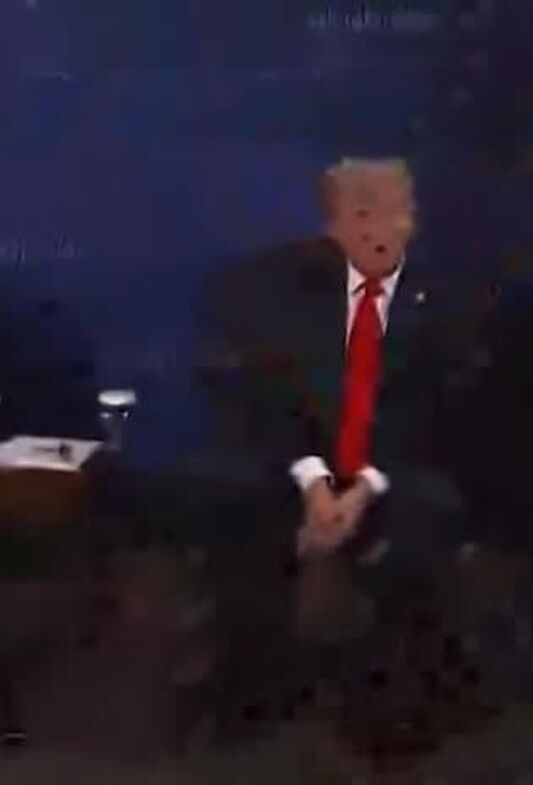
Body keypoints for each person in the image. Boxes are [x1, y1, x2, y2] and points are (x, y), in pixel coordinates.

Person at [197, 157, 479, 735]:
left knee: (423, 522)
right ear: (331, 225)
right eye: (363, 213)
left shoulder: (447, 304)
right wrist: (313, 484)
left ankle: (397, 708)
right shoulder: (281, 298)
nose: (383, 228)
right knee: (238, 511)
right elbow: (270, 403)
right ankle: (252, 698)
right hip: (302, 466)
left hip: (398, 469)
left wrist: (363, 489)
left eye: (397, 212)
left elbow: (433, 419)